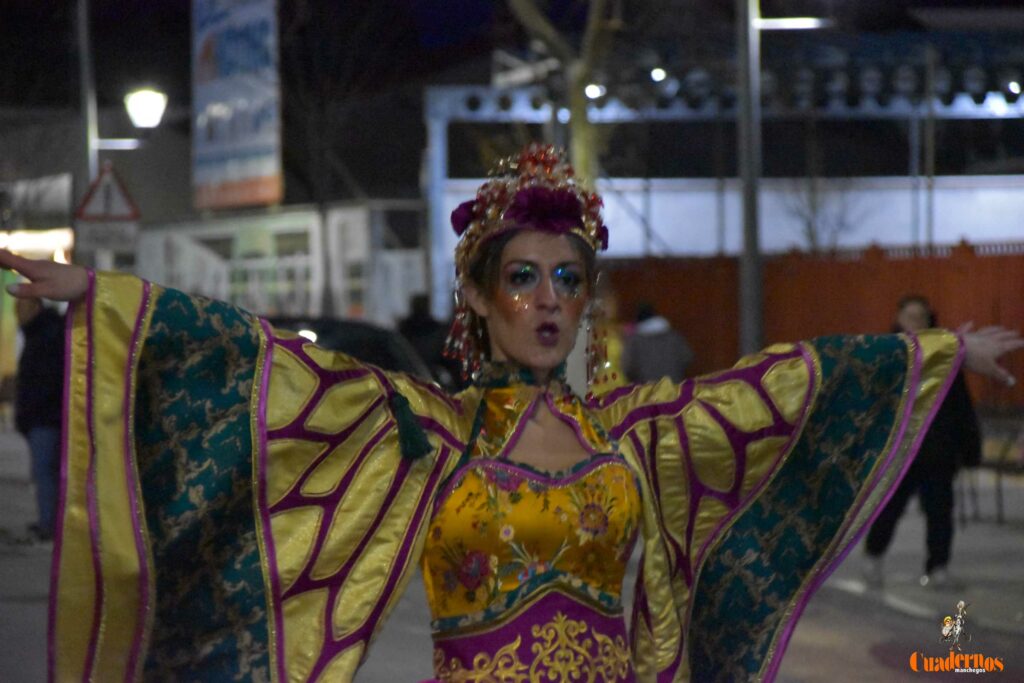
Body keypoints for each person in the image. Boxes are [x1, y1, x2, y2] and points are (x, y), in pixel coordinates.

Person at [1, 145, 1021, 682]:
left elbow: (781, 387)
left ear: (586, 299)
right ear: (481, 300)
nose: (544, 298)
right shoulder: (423, 426)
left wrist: (934, 353)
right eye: (522, 278)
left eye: (565, 279)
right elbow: (261, 367)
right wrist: (103, 297)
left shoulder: (635, 428)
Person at [864, 295, 982, 589]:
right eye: (911, 316)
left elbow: (960, 405)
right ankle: (874, 557)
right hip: (900, 453)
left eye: (922, 317)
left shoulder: (944, 357)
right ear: (899, 319)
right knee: (889, 509)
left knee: (940, 513)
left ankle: (938, 567)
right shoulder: (887, 358)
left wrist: (969, 448)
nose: (916, 323)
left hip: (938, 452)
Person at [13, 296, 64, 542]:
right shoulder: (41, 334)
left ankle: (49, 525)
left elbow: (44, 382)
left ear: (35, 307)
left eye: (21, 307)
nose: (17, 314)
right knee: (45, 472)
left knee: (45, 473)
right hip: (42, 417)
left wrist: (32, 411)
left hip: (45, 418)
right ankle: (49, 522)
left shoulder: (46, 336)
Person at [622, 301, 694, 383]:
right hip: (674, 386)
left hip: (648, 390)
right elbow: (687, 357)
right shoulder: (673, 336)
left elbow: (627, 367)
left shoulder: (635, 341)